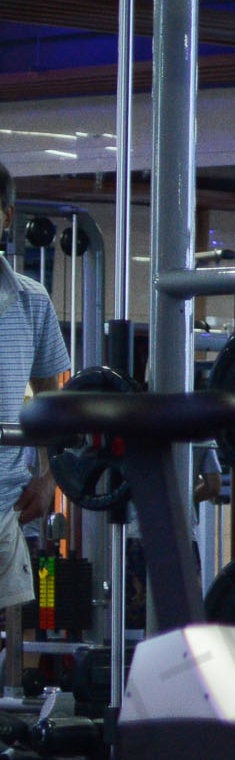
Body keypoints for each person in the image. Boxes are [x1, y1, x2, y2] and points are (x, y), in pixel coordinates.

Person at [0, 168, 69, 681]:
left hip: (5, 499)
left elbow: (53, 403)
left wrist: (49, 477)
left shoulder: (31, 299)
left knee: (13, 631)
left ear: (5, 217)